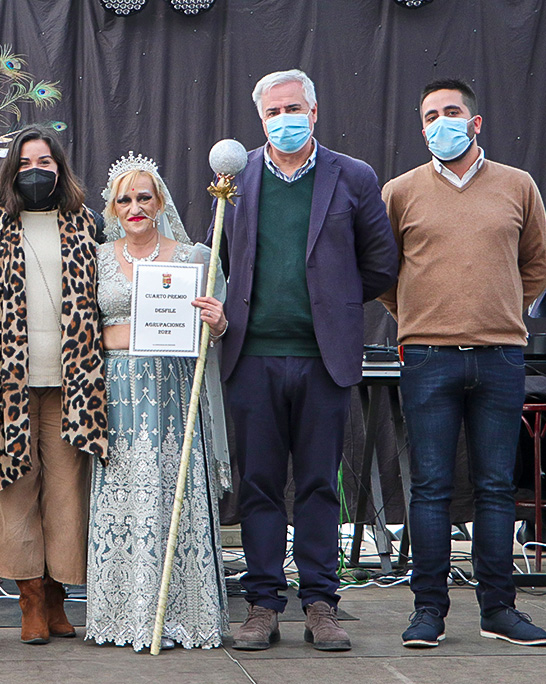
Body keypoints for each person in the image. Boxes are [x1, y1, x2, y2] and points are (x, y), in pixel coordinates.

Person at [214, 69, 398, 652]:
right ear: (260, 118)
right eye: (272, 112)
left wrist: (334, 302)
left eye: (292, 108)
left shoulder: (354, 176)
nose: (282, 120)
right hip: (252, 357)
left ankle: (321, 602)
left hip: (323, 360)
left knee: (321, 484)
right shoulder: (235, 175)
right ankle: (262, 605)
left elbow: (381, 265)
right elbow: (220, 252)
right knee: (260, 486)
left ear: (313, 112)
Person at [380, 79, 546, 648]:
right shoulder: (400, 192)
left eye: (452, 113)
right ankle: (428, 612)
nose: (440, 123)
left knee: (496, 488)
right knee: (429, 490)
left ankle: (499, 610)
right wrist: (425, 314)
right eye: (430, 115)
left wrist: (501, 308)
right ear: (421, 126)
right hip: (426, 356)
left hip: (501, 355)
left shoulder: (518, 186)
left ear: (476, 123)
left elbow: (537, 262)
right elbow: (382, 272)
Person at [0, 126, 108, 644]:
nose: (35, 172)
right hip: (5, 382)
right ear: (10, 171)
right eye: (25, 164)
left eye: (44, 162)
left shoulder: (88, 223)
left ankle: (58, 596)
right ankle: (29, 600)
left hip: (74, 383)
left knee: (68, 492)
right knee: (16, 488)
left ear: (60, 168)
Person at [84, 152, 232, 651]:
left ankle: (183, 615)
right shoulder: (99, 259)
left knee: (175, 495)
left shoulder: (195, 258)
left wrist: (217, 321)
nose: (134, 207)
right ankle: (124, 617)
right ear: (111, 208)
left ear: (161, 201)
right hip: (118, 395)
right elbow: (83, 332)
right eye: (124, 199)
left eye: (143, 197)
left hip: (172, 394)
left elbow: (215, 333)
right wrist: (126, 334)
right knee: (123, 500)